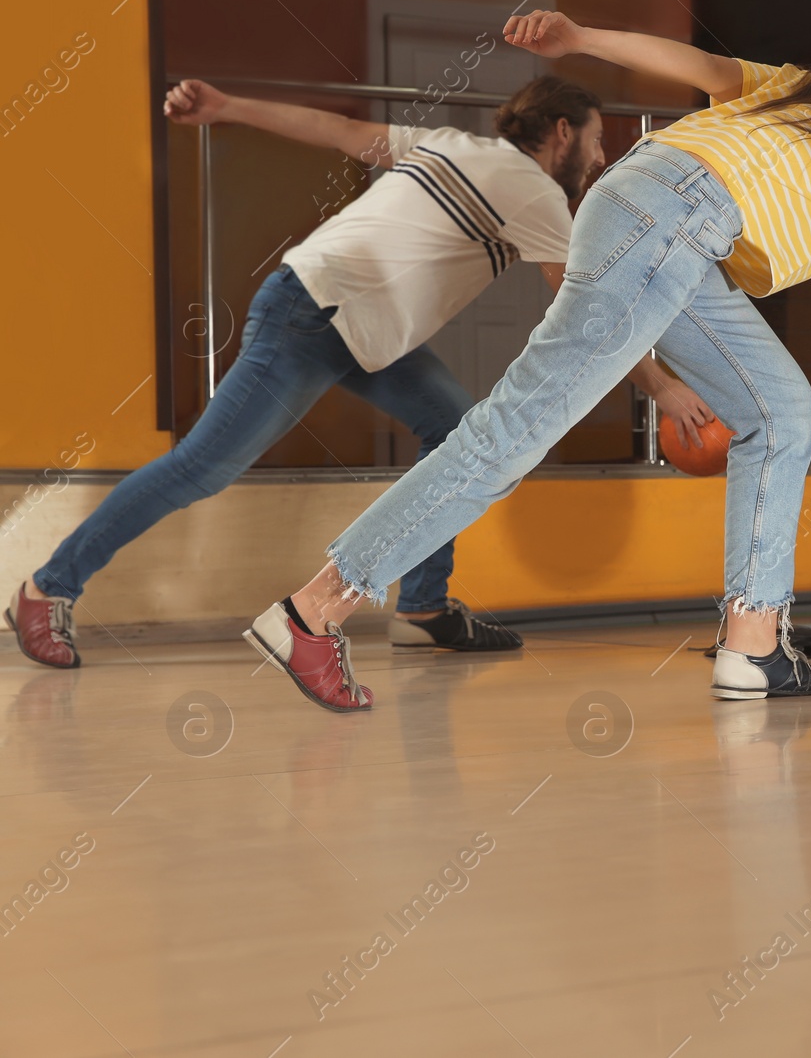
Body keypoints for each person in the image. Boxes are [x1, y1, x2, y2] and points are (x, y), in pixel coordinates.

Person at [246, 11, 811, 713]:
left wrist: (581, 35)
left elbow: (699, 66)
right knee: (515, 429)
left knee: (780, 408)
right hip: (673, 218)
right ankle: (316, 610)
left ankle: (754, 643)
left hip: (669, 222)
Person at [6, 75, 716, 669]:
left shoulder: (449, 144)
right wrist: (662, 387)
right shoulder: (534, 192)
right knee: (203, 468)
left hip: (362, 329)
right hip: (312, 314)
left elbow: (336, 129)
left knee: (455, 428)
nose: (598, 158)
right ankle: (47, 587)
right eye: (595, 141)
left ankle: (422, 606)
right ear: (561, 131)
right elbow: (585, 310)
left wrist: (228, 108)